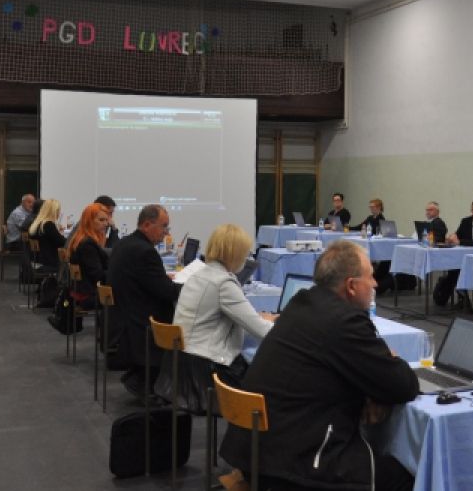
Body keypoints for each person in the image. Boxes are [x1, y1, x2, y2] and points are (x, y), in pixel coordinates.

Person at [220, 241, 418, 491]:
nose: (376, 283)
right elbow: (403, 385)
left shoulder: (300, 304)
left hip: (255, 450)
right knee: (410, 475)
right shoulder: (345, 322)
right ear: (351, 286)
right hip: (295, 463)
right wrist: (390, 359)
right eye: (370, 276)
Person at [168, 224, 275, 409]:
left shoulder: (197, 275)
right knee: (268, 382)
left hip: (181, 361)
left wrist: (256, 317)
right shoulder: (224, 283)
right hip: (207, 369)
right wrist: (287, 328)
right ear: (235, 254)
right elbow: (261, 330)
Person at [107, 204, 180, 387]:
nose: (166, 232)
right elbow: (168, 292)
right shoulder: (145, 252)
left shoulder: (124, 243)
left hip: (122, 319)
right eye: (164, 226)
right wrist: (192, 286)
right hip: (140, 325)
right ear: (147, 225)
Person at [67, 202, 110, 309]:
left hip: (81, 291)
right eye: (101, 220)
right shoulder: (87, 244)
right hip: (87, 295)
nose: (106, 224)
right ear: (89, 221)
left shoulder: (81, 239)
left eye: (106, 220)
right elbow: (98, 275)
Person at [27, 198, 65, 275]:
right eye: (58, 210)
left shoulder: (38, 224)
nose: (59, 213)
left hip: (38, 260)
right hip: (50, 262)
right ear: (53, 211)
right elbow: (62, 242)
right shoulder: (48, 225)